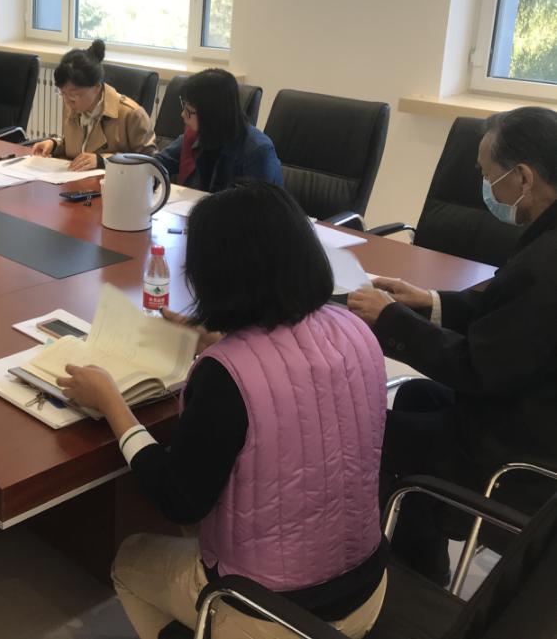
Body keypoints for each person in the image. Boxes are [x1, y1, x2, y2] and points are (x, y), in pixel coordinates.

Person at [60, 182, 388, 639]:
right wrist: (223, 339)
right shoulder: (356, 330)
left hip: (271, 614)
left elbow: (178, 501)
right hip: (368, 589)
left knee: (130, 560)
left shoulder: (225, 376)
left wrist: (111, 403)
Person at [348, 106, 557, 584]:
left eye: (489, 175)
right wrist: (431, 302)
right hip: (531, 404)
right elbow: (509, 319)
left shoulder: (545, 266)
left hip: (519, 452)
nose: (486, 188)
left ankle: (393, 576)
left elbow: (476, 368)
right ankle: (424, 554)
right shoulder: (546, 242)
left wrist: (391, 319)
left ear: (523, 177)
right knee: (417, 395)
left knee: (372, 434)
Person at [30, 40, 156, 170]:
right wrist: (54, 144)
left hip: (114, 181)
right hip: (76, 179)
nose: (67, 101)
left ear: (96, 87)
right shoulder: (72, 106)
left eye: (74, 95)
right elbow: (80, 145)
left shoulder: (132, 114)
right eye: (63, 93)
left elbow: (150, 162)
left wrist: (103, 161)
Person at [154, 68, 282, 192]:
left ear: (211, 114)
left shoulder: (258, 151)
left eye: (189, 110)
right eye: (184, 106)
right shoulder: (194, 136)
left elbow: (257, 203)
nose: (182, 114)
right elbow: (155, 166)